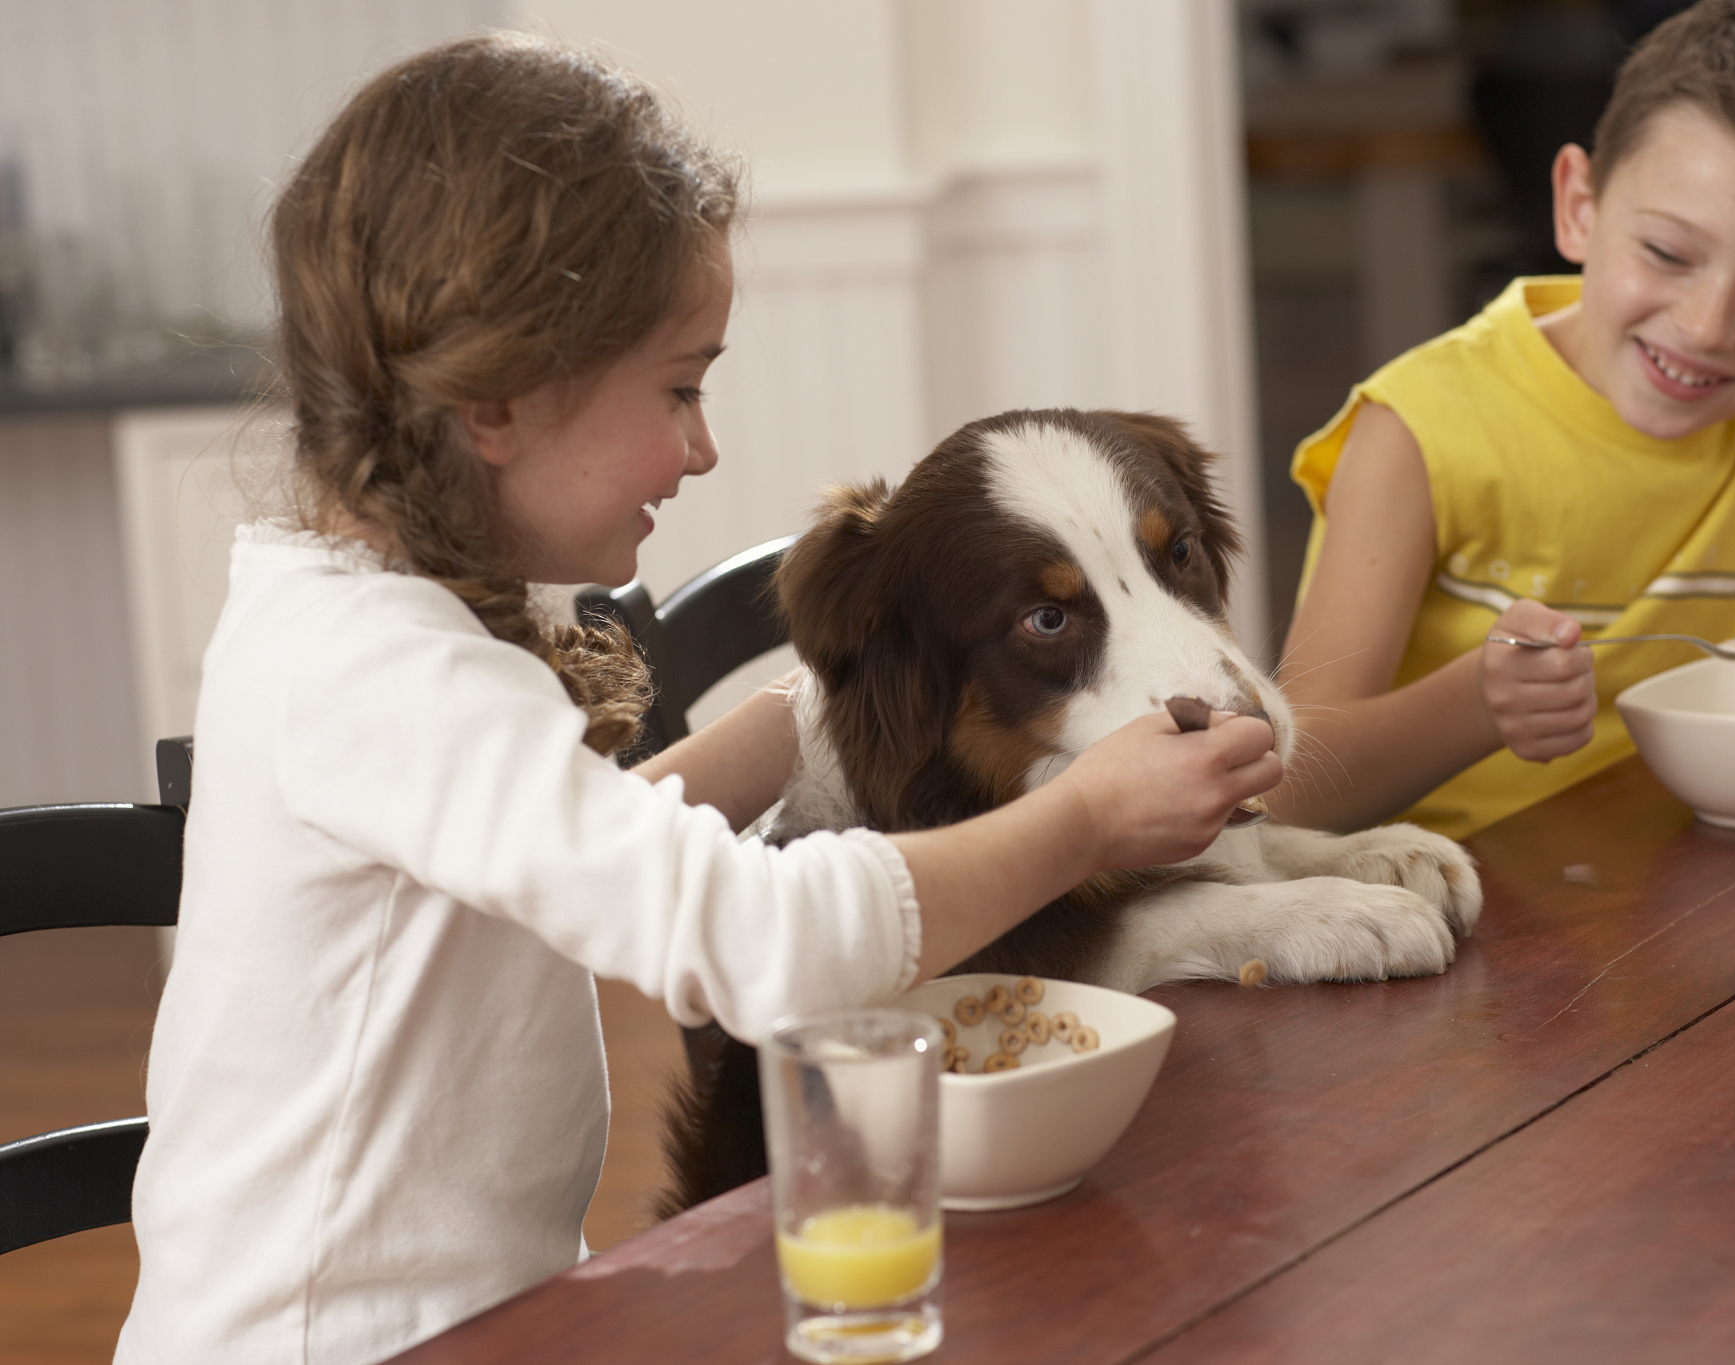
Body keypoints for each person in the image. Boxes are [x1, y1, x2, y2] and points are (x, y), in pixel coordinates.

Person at [114, 33, 1280, 1365]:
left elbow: (581, 851)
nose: (703, 446)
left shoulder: (363, 624)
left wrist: (802, 725)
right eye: (680, 387)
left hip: (495, 1321)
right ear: (499, 398)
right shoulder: (375, 673)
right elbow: (761, 942)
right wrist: (1085, 820)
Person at [1271, 0, 1735, 841]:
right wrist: (1474, 705)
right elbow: (1291, 787)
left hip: (1708, 893)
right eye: (1668, 254)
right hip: (1478, 922)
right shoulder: (1417, 429)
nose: (1705, 325)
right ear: (1579, 205)